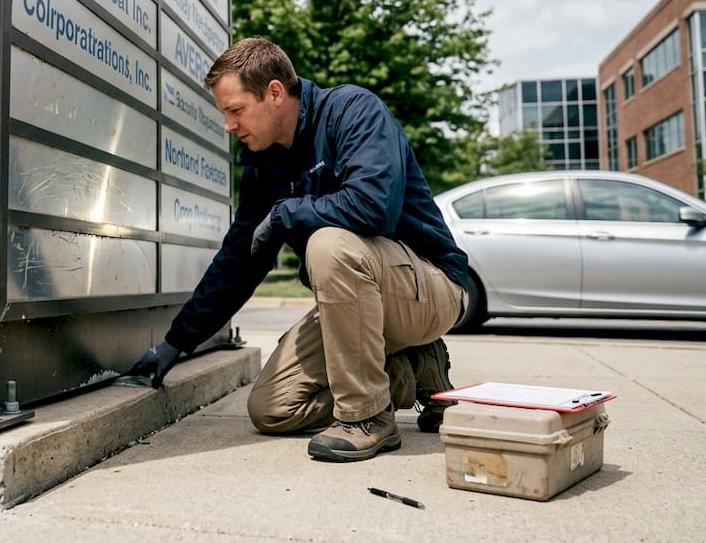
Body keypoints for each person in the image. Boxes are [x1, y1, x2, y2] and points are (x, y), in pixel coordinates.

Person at [124, 37, 468, 463]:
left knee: (329, 245)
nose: (229, 125)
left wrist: (288, 213)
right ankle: (416, 371)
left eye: (235, 111)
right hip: (363, 305)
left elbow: (374, 207)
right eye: (224, 114)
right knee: (272, 408)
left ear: (273, 92)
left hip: (433, 289)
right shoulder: (262, 161)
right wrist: (175, 344)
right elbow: (239, 262)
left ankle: (367, 418)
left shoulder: (352, 111)